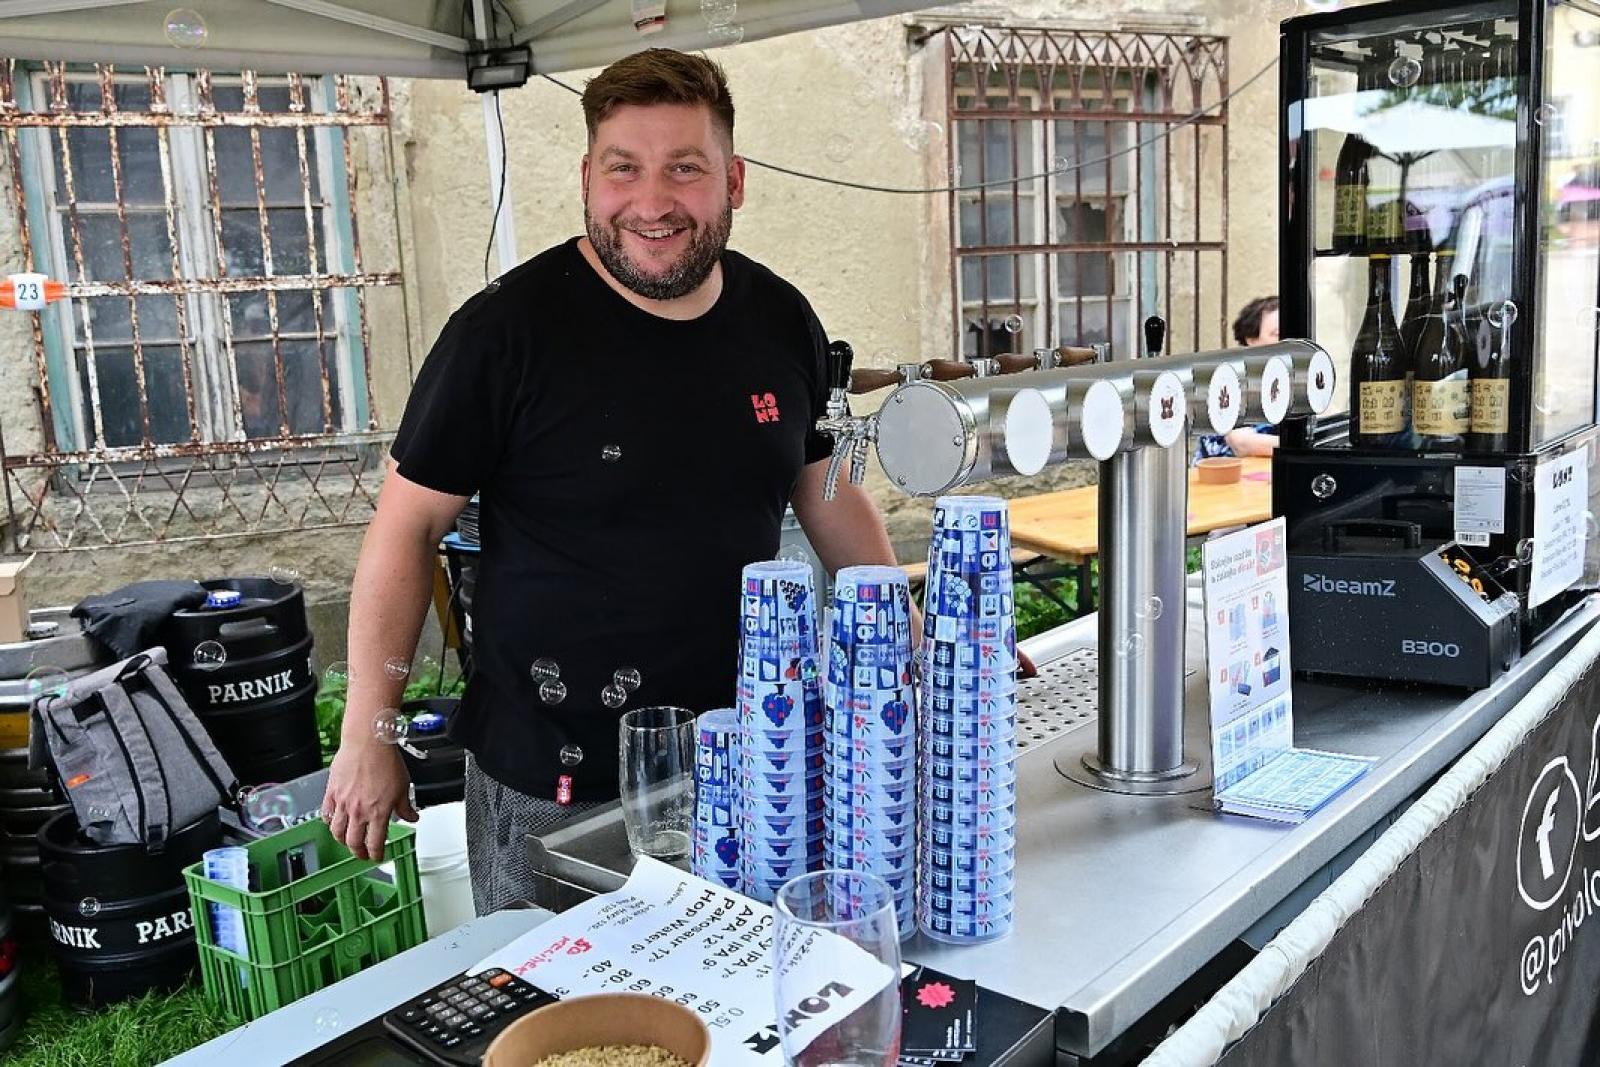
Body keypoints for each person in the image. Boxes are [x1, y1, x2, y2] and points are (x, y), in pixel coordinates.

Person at [320, 49, 907, 914]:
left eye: (685, 168)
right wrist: (368, 730)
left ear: (735, 181)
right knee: (560, 998)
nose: (652, 202)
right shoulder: (503, 334)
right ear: (587, 179)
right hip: (554, 786)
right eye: (624, 168)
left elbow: (825, 486)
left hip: (748, 756)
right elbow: (404, 528)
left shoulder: (781, 318)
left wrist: (909, 629)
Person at [1193, 295, 1281, 462]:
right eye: (1277, 334)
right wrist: (1302, 446)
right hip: (1223, 474)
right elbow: (1241, 443)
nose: (1287, 341)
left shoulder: (1291, 381)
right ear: (1251, 339)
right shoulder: (1230, 379)